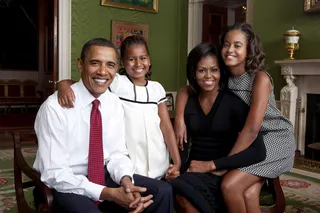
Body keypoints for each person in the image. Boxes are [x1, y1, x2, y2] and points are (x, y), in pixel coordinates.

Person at [33, 38, 174, 213]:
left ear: (116, 68)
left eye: (110, 65)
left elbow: (117, 154)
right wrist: (110, 194)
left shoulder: (113, 102)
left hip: (103, 174)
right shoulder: (55, 107)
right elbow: (55, 174)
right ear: (80, 64)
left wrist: (126, 182)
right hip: (65, 183)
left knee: (163, 191)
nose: (102, 72)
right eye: (94, 63)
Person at [174, 23, 296, 213]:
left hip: (274, 138)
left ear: (249, 50)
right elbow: (186, 90)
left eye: (237, 45)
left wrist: (223, 165)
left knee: (230, 185)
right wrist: (180, 118)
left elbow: (252, 129)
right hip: (254, 141)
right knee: (249, 194)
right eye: (226, 44)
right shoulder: (224, 76)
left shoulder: (259, 78)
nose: (230, 50)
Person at [58, 35, 181, 181]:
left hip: (158, 157)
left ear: (149, 60)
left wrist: (177, 161)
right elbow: (85, 83)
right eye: (131, 59)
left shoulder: (157, 89)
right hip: (130, 160)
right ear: (121, 62)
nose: (138, 63)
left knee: (159, 193)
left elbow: (166, 126)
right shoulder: (116, 82)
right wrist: (62, 84)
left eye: (143, 58)